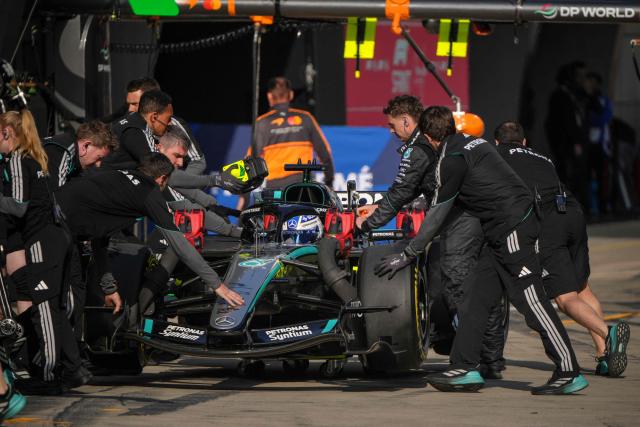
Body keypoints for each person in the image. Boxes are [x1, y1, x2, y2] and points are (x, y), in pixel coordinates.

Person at [375, 106, 587, 395]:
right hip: (500, 231)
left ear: (427, 136)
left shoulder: (450, 160)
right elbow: (457, 207)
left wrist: (408, 252)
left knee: (531, 300)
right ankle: (465, 367)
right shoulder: (472, 143)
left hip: (513, 230)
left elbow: (438, 213)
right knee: (475, 298)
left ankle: (568, 370)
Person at [494, 120, 629, 377]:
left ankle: (608, 333)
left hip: (549, 222)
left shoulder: (497, 155)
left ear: (497, 142)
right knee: (582, 287)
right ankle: (603, 356)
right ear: (524, 142)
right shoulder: (542, 157)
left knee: (565, 298)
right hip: (573, 212)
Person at [54, 153, 245, 317]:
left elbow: (100, 235)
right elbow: (181, 245)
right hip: (55, 227)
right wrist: (218, 285)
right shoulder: (149, 193)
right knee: (65, 302)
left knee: (71, 297)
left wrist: (109, 287)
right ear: (162, 179)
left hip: (53, 216)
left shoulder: (119, 177)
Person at [0, 110, 87, 395]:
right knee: (58, 307)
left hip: (41, 242)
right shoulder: (39, 158)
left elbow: (19, 205)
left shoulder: (17, 159)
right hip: (57, 237)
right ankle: (71, 368)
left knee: (46, 311)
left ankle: (49, 375)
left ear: (6, 133)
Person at [238, 77, 335, 209]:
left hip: (276, 189)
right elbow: (325, 154)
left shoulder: (263, 122)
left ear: (269, 97)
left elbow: (250, 161)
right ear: (291, 95)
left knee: (275, 227)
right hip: (304, 186)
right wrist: (329, 182)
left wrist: (243, 198)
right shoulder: (305, 118)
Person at [355, 95, 437, 232]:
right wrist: (376, 207)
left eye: (392, 125)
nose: (391, 130)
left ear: (405, 121)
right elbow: (411, 190)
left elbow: (402, 191)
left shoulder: (417, 149)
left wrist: (365, 225)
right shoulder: (430, 136)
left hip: (458, 221)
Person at [545, 61, 590, 210]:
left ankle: (571, 207)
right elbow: (566, 122)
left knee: (573, 176)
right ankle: (563, 208)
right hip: (565, 144)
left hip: (570, 142)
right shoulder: (560, 96)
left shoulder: (573, 95)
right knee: (565, 176)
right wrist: (575, 142)